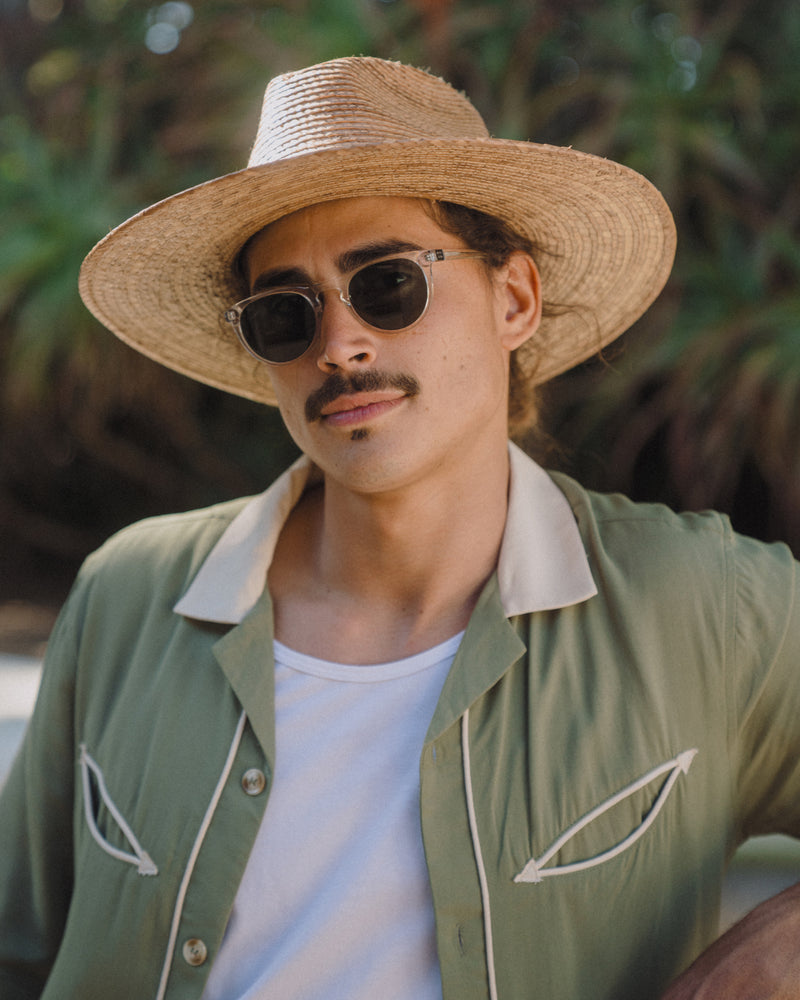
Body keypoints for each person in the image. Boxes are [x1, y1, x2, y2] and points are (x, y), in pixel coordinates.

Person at [1, 55, 799, 1000]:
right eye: (285, 315)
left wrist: (776, 950)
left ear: (515, 299)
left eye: (386, 284)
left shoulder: (706, 606)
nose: (341, 344)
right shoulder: (130, 595)